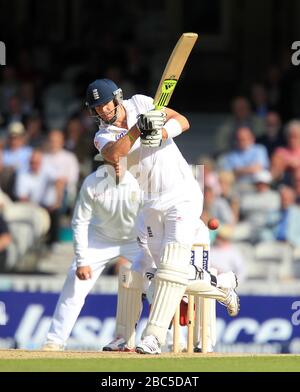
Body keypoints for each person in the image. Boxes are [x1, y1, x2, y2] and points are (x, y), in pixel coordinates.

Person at [87, 78, 240, 355]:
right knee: (150, 275)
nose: (102, 111)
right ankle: (222, 284)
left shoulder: (142, 103)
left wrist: (163, 133)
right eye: (96, 108)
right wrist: (138, 129)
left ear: (117, 98)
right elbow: (115, 155)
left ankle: (154, 336)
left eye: (105, 104)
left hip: (182, 194)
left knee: (170, 270)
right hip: (149, 204)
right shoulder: (102, 136)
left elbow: (182, 120)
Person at [42, 160, 141, 351]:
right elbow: (80, 222)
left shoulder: (140, 181)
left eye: (121, 159)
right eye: (112, 160)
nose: (117, 164)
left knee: (157, 280)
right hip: (99, 239)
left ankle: (167, 338)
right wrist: (81, 260)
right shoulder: (92, 182)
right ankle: (54, 341)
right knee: (74, 281)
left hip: (134, 240)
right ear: (104, 161)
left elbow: (150, 218)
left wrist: (149, 247)